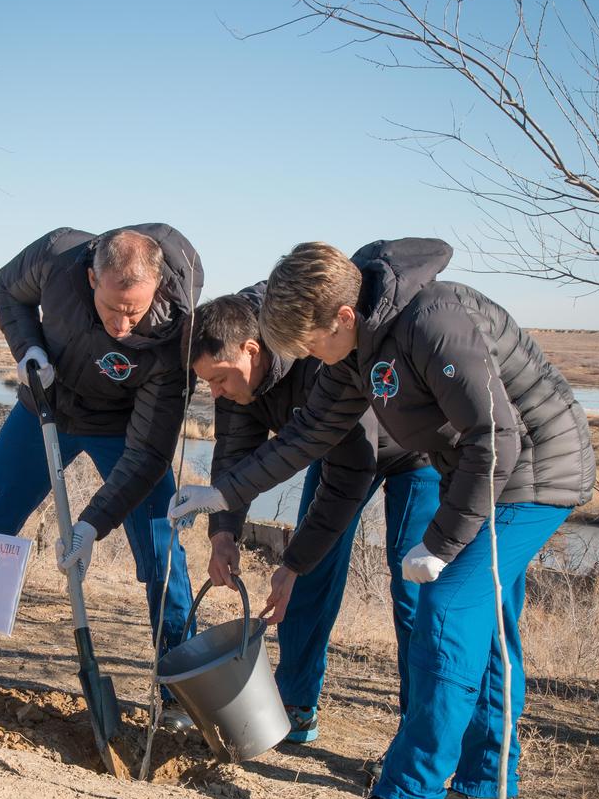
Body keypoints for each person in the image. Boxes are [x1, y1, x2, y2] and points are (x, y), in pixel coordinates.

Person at [171, 239, 594, 799]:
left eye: (311, 344)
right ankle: (487, 788)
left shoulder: (434, 320)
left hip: (532, 474)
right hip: (488, 474)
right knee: (487, 625)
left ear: (343, 316)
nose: (311, 358)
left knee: (444, 614)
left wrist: (441, 542)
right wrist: (224, 496)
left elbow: (496, 438)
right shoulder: (358, 350)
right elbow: (307, 435)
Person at [0, 224, 203, 729]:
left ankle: (179, 689)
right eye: (112, 309)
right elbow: (6, 290)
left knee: (161, 548)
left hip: (126, 429)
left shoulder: (176, 333)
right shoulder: (58, 256)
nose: (124, 324)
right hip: (46, 407)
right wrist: (29, 348)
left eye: (135, 311)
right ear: (90, 277)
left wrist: (90, 526)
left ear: (158, 287)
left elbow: (149, 449)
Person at [186, 287, 439, 746]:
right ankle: (296, 705)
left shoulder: (313, 352)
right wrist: (223, 534)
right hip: (335, 453)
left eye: (220, 379)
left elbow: (354, 468)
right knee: (305, 577)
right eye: (208, 382)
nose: (215, 392)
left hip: (414, 453)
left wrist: (295, 560)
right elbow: (233, 456)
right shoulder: (237, 379)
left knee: (414, 589)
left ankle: (418, 731)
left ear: (252, 351)